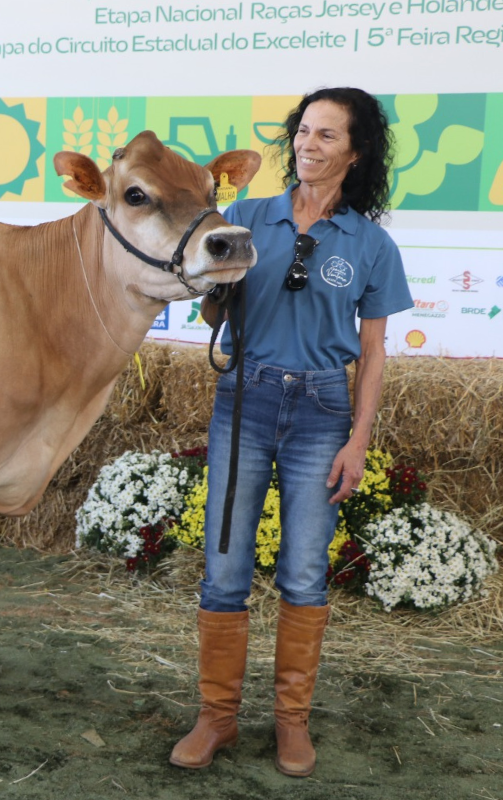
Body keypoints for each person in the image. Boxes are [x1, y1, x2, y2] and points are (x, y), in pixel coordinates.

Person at [169, 88, 413, 777]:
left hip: (321, 412)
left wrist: (358, 440)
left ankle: (291, 724)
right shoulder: (245, 217)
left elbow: (373, 355)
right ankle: (216, 717)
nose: (308, 143)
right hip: (243, 400)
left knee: (304, 573)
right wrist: (216, 288)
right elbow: (214, 316)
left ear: (355, 152)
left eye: (327, 135)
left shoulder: (370, 245)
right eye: (303, 131)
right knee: (224, 571)